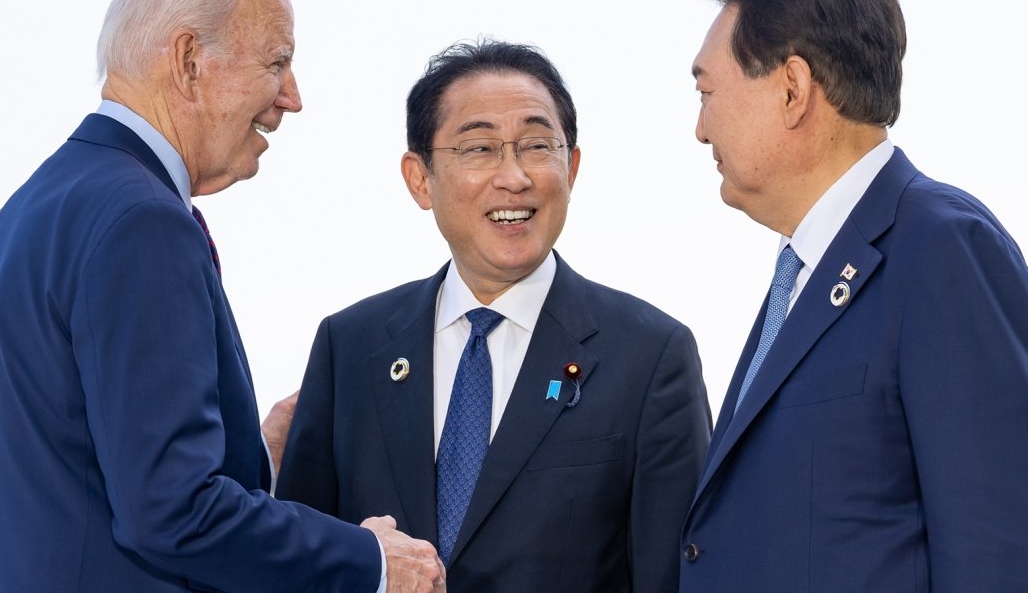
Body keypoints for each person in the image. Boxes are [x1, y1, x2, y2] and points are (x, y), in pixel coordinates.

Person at [0, 0, 444, 591]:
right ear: (188, 62)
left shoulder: (35, 210)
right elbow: (169, 512)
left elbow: (79, 469)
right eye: (277, 61)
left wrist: (251, 454)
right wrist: (373, 562)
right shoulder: (141, 222)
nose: (291, 98)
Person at [678, 0, 1028, 590]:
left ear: (793, 88)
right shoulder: (804, 270)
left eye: (707, 91)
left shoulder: (943, 250)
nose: (699, 127)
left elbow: (1000, 556)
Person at [275, 39, 712, 592]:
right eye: (479, 148)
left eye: (536, 146)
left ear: (571, 167)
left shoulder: (649, 355)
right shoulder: (351, 345)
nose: (514, 176)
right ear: (419, 178)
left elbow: (674, 577)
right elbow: (293, 563)